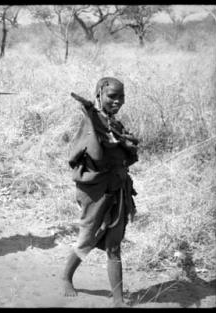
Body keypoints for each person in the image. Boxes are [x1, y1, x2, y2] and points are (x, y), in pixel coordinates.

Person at [62, 77, 139, 307]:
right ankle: (66, 276)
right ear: (99, 95)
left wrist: (127, 143)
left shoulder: (114, 124)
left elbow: (122, 151)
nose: (117, 101)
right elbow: (95, 130)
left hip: (118, 188)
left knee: (114, 246)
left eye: (121, 96)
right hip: (96, 192)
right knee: (87, 239)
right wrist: (88, 108)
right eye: (112, 96)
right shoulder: (92, 121)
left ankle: (118, 299)